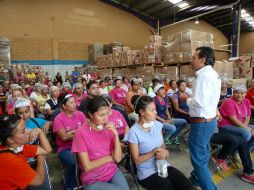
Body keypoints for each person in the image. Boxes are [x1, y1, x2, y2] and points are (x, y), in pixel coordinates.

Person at [125, 95, 195, 190]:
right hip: (147, 172)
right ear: (142, 112)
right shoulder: (133, 132)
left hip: (162, 165)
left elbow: (162, 144)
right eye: (152, 110)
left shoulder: (157, 125)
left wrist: (165, 152)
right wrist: (154, 151)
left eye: (155, 109)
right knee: (169, 187)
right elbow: (136, 160)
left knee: (186, 185)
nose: (156, 112)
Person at [72, 96, 130, 190]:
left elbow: (118, 158)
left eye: (107, 114)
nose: (106, 118)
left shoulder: (108, 128)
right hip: (93, 179)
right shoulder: (81, 133)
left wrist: (115, 135)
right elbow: (87, 166)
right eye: (101, 115)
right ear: (91, 114)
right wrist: (109, 157)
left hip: (111, 171)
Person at [185, 47, 221, 190]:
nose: (191, 61)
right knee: (203, 154)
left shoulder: (204, 76)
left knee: (199, 160)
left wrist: (186, 99)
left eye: (194, 57)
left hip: (202, 123)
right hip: (208, 122)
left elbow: (201, 102)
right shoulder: (212, 74)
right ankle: (195, 179)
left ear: (202, 60)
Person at [0, 114, 52, 189]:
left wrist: (39, 131)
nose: (29, 131)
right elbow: (39, 180)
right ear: (10, 139)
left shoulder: (17, 147)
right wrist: (40, 159)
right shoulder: (10, 160)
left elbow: (46, 149)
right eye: (24, 131)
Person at [53, 93, 86, 190]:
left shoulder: (80, 114)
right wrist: (79, 132)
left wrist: (72, 132)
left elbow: (87, 130)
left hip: (82, 145)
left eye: (74, 102)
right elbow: (64, 137)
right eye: (71, 103)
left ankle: (87, 180)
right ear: (63, 106)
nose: (75, 104)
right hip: (66, 148)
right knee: (73, 162)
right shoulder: (58, 118)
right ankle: (69, 186)